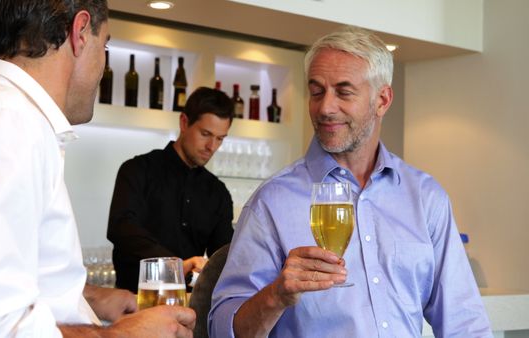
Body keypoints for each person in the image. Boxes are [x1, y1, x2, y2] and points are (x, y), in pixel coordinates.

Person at [0, 0, 194, 337]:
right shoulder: (2, 126)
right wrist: (122, 334)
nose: (103, 64)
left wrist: (88, 297)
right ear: (79, 32)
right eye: (104, 44)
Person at [209, 26, 492, 337]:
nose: (325, 107)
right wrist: (275, 295)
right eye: (316, 91)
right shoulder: (272, 201)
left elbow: (464, 323)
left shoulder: (425, 197)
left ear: (382, 100)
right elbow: (222, 329)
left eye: (344, 92)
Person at [108, 87, 235, 293]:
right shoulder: (138, 170)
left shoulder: (218, 193)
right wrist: (174, 266)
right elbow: (121, 229)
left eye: (220, 138)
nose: (212, 146)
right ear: (184, 122)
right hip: (134, 302)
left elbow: (223, 255)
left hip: (186, 308)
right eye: (205, 134)